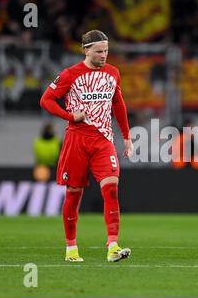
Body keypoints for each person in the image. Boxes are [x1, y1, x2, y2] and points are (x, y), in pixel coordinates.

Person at [40, 30, 133, 262]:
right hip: (77, 140)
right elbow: (46, 100)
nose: (104, 55)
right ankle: (71, 249)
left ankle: (113, 246)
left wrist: (127, 137)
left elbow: (118, 105)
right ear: (86, 50)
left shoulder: (113, 73)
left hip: (103, 140)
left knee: (111, 188)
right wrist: (70, 115)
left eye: (107, 51)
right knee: (73, 194)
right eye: (99, 51)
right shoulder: (70, 74)